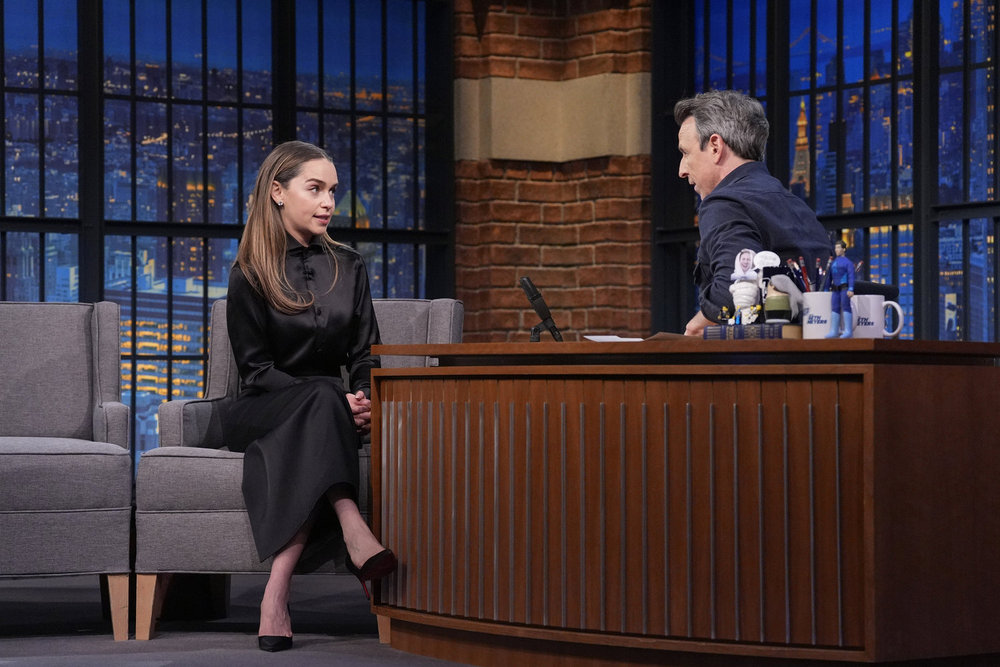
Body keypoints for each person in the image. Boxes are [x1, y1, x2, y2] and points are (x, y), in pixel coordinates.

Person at [224, 140, 396, 652]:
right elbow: (256, 371)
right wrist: (337, 402)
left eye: (333, 191)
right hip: (263, 407)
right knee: (322, 393)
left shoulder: (350, 266)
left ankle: (276, 592)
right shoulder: (249, 272)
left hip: (328, 413)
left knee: (325, 398)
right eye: (315, 189)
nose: (328, 203)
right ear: (278, 192)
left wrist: (362, 397)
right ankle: (352, 523)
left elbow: (366, 354)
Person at [674, 90, 832, 336]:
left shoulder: (724, 203)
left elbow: (732, 292)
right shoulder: (795, 204)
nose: (682, 170)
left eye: (685, 153)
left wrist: (695, 328)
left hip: (764, 355)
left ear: (715, 146)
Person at [825, 239, 855, 338]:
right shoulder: (833, 262)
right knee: (834, 307)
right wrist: (826, 289)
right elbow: (829, 277)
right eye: (835, 248)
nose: (836, 250)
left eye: (838, 247)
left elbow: (851, 276)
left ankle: (848, 331)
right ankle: (834, 330)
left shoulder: (848, 263)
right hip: (835, 290)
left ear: (844, 249)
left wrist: (851, 289)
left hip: (844, 288)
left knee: (846, 306)